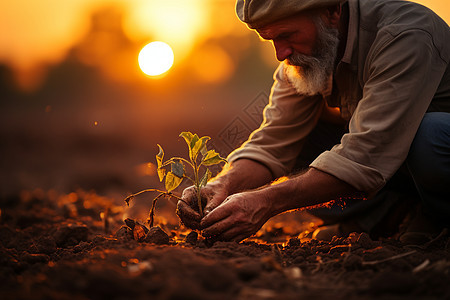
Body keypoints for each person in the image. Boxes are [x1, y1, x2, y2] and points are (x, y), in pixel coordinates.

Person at [177, 0, 450, 244]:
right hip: (397, 163)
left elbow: (366, 156)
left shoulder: (404, 35)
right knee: (303, 140)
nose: (280, 54)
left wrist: (266, 201)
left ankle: (437, 217)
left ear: (332, 11)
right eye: (269, 39)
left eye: (287, 35)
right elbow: (273, 142)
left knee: (430, 135)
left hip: (431, 150)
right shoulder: (307, 56)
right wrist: (221, 185)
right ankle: (388, 213)